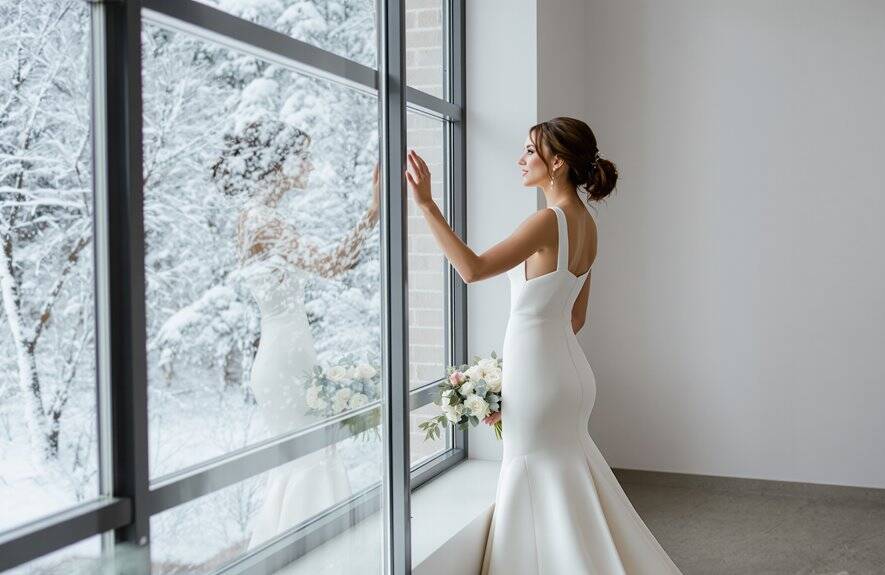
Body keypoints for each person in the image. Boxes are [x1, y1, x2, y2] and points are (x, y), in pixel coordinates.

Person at [407, 116, 682, 574]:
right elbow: (576, 316)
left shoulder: (547, 221)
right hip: (568, 372)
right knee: (568, 474)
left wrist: (427, 205)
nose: (521, 159)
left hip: (540, 375)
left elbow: (472, 270)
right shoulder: (587, 226)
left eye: (530, 152)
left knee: (531, 473)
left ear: (557, 163)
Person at [211, 119, 380, 550]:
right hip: (284, 361)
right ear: (276, 163)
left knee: (306, 459)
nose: (309, 164)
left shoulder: (260, 217)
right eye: (301, 155)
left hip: (287, 355)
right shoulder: (263, 221)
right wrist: (374, 212)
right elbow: (331, 264)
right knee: (311, 458)